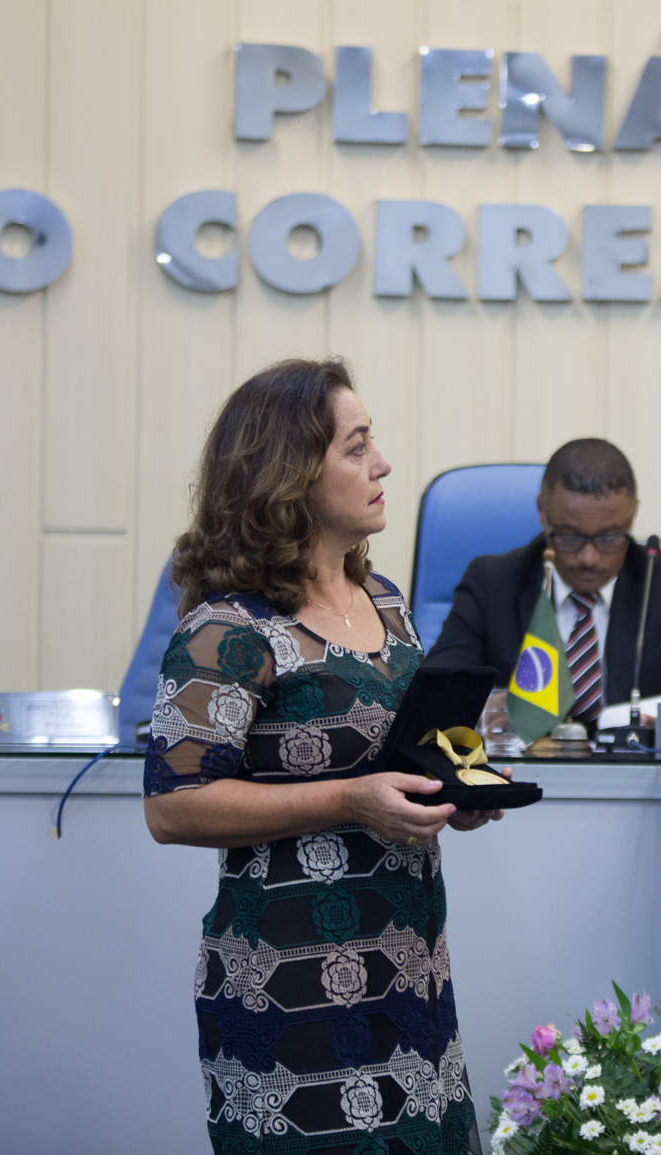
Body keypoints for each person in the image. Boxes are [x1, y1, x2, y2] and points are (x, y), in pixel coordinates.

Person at [143, 358, 499, 1155]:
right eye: (357, 446)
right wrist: (348, 799)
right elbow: (172, 806)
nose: (384, 465)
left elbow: (397, 761)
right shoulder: (228, 627)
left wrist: (456, 792)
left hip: (409, 980)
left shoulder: (387, 603)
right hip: (287, 992)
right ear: (291, 473)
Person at [425, 438, 661, 721]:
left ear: (632, 515)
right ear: (542, 512)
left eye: (609, 538)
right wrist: (494, 712)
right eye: (569, 536)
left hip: (637, 768)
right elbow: (432, 702)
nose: (589, 558)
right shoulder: (493, 582)